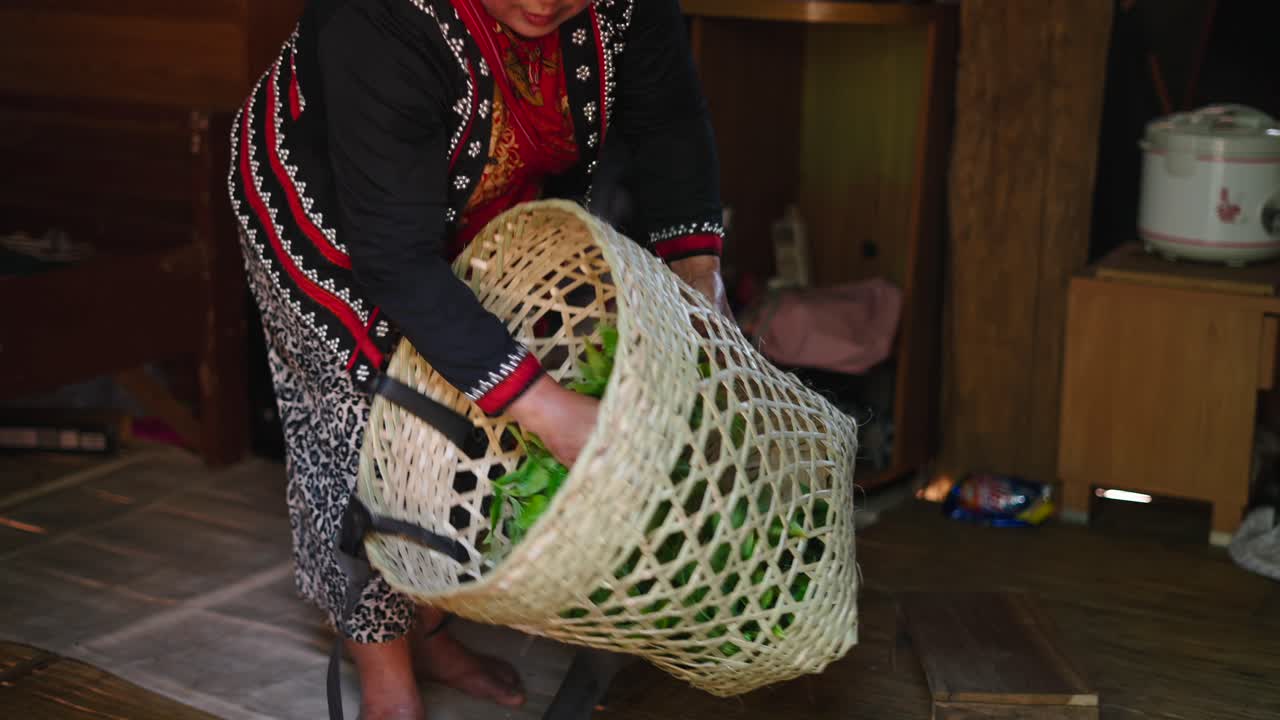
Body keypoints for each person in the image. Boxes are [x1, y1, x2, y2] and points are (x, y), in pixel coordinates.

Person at [227, 0, 726, 717]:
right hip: (327, 205)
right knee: (362, 418)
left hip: (477, 193)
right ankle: (387, 677)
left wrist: (700, 285)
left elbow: (670, 120)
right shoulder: (375, 17)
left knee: (464, 412)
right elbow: (393, 259)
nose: (543, 1)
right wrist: (551, 412)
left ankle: (430, 630)